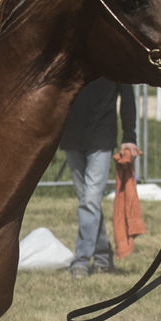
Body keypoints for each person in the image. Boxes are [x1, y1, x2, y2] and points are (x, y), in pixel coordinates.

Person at [59, 77, 139, 279]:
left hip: (102, 137)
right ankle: (103, 256)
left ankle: (81, 260)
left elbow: (127, 97)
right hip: (71, 136)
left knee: (89, 201)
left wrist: (129, 137)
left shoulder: (115, 55)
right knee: (88, 202)